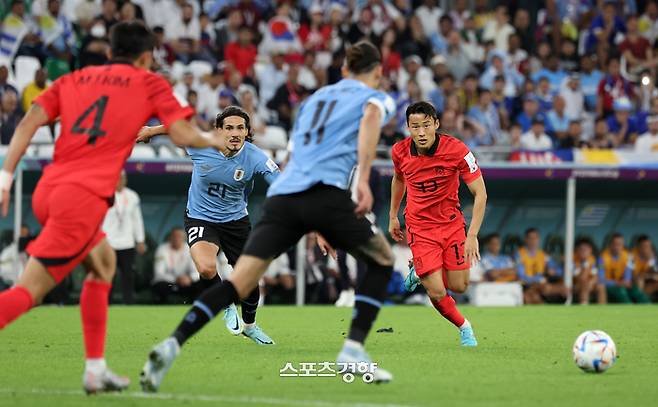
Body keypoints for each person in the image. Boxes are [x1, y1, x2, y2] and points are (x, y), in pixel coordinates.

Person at [140, 41, 397, 391]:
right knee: (383, 259)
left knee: (240, 283)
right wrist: (363, 178)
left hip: (284, 198)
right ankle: (352, 349)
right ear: (378, 72)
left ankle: (171, 344)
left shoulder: (313, 101)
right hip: (325, 195)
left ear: (344, 71)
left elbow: (294, 152)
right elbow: (370, 119)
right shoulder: (376, 97)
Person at [0, 21, 224, 394]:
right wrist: (210, 139)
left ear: (108, 52)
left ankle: (95, 370)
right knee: (30, 291)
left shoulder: (76, 78)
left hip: (50, 189)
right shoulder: (149, 82)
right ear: (147, 57)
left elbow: (28, 122)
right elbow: (183, 134)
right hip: (82, 200)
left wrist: (6, 178)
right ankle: (94, 369)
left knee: (103, 264)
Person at [137, 106, 279, 344]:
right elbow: (177, 128)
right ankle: (225, 306)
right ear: (218, 131)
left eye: (240, 128)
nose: (235, 133)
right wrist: (151, 131)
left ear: (247, 132)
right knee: (206, 268)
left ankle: (251, 326)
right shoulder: (200, 144)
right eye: (229, 128)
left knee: (250, 278)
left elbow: (280, 182)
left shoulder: (256, 157)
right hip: (201, 217)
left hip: (236, 221)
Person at [390, 101, 486, 347]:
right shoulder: (400, 152)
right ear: (408, 128)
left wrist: (472, 235)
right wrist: (393, 215)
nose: (421, 133)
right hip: (420, 228)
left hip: (452, 225)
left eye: (425, 126)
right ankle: (464, 327)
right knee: (436, 291)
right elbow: (398, 179)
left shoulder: (457, 150)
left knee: (459, 286)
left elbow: (480, 193)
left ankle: (421, 271)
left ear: (436, 124)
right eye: (414, 127)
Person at [101, 170, 146, 305]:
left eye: (123, 178)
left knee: (128, 274)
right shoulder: (105, 194)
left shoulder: (132, 196)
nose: (121, 181)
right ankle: (106, 302)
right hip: (109, 242)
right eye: (118, 178)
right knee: (109, 274)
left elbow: (137, 219)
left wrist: (140, 240)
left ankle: (129, 302)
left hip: (127, 243)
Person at [516, 228, 568, 304]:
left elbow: (558, 270)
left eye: (535, 238)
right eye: (530, 238)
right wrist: (538, 279)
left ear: (539, 239)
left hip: (541, 285)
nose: (533, 241)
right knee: (539, 292)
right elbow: (521, 276)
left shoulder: (543, 255)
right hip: (526, 285)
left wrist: (553, 271)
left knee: (563, 289)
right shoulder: (519, 254)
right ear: (526, 239)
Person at [151, 227, 200, 304]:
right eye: (174, 236)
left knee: (200, 284)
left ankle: (196, 309)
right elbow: (159, 273)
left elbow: (197, 271)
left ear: (184, 238)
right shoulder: (162, 249)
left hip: (186, 283)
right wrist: (176, 279)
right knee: (160, 286)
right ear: (170, 237)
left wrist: (190, 278)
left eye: (179, 236)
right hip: (169, 283)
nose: (177, 239)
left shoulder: (191, 249)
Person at [573, 238, 605, 305]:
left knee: (601, 287)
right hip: (575, 285)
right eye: (581, 249)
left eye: (585, 249)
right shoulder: (572, 260)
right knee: (584, 284)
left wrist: (591, 283)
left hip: (591, 285)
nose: (583, 252)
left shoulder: (597, 260)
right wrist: (585, 266)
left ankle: (602, 309)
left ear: (590, 250)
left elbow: (599, 276)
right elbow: (580, 278)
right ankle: (584, 306)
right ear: (577, 251)